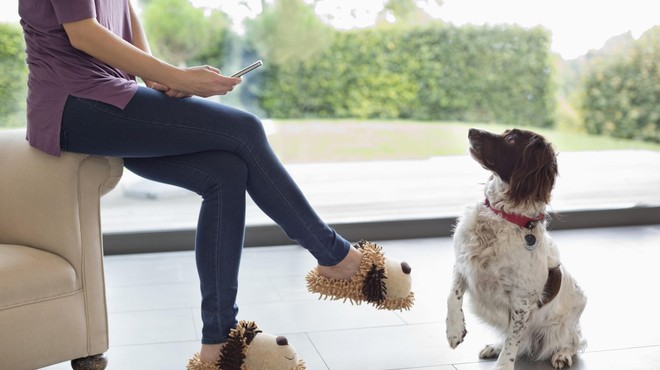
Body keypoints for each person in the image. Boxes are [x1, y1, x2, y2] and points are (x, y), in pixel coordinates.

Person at [18, 1, 413, 368]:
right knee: (244, 128)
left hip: (115, 97)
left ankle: (218, 343)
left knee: (226, 172)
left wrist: (156, 78)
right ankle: (337, 259)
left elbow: (125, 12)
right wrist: (172, 75)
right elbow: (83, 32)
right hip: (75, 104)